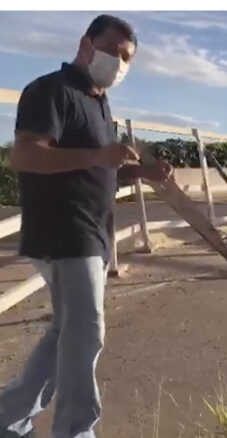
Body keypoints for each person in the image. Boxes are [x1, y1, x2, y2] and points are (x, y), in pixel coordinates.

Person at [0, 14, 173, 438]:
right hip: (64, 234)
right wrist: (97, 158)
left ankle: (7, 418)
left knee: (65, 335)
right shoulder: (50, 91)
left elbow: (97, 170)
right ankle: (76, 432)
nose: (118, 63)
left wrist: (141, 174)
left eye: (126, 58)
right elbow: (24, 157)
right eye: (112, 51)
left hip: (89, 235)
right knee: (85, 336)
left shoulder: (98, 103)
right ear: (85, 43)